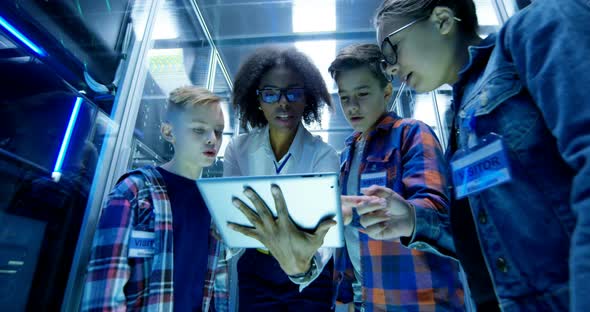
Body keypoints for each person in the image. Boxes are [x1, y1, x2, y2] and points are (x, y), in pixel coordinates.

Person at [373, 0, 590, 310]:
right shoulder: (460, 117)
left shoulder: (535, 29)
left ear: (443, 20)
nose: (392, 68)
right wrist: (412, 220)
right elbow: (489, 237)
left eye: (392, 50)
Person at [328, 43, 465, 311]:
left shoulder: (412, 133)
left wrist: (400, 214)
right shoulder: (347, 153)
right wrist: (344, 296)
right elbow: (347, 236)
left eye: (363, 93)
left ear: (387, 92)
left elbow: (437, 213)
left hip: (420, 300)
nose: (352, 106)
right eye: (344, 97)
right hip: (368, 299)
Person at [82, 86, 229, 311]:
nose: (212, 140)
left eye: (218, 131)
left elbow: (215, 289)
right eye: (199, 130)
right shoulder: (134, 191)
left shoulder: (214, 202)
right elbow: (104, 292)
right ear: (169, 132)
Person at [222, 46, 340, 311]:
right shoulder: (238, 150)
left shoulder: (324, 155)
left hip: (310, 269)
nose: (283, 102)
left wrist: (304, 269)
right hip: (256, 269)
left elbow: (327, 233)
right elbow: (229, 220)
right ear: (258, 101)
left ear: (307, 98)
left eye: (294, 92)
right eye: (271, 93)